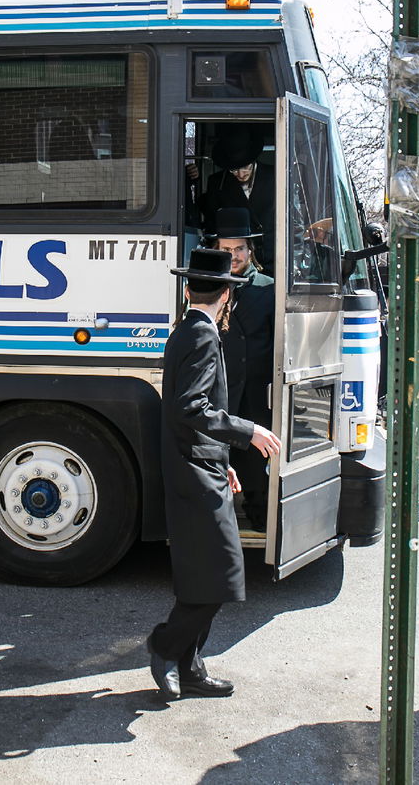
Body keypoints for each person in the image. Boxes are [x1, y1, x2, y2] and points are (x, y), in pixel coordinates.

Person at [148, 247, 282, 701]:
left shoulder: (187, 330)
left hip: (200, 467)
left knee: (207, 575)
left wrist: (223, 463)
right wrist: (250, 432)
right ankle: (166, 646)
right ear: (227, 293)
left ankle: (190, 669)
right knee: (221, 575)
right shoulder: (203, 336)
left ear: (189, 289)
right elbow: (192, 408)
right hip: (194, 473)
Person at [208, 208, 276, 532]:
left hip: (255, 392)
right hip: (220, 390)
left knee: (253, 461)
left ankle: (259, 514)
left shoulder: (268, 287)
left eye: (238, 249)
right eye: (226, 249)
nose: (233, 255)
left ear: (250, 251)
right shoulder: (209, 286)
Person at [200, 124, 275, 275]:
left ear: (254, 160)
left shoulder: (275, 176)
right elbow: (211, 225)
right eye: (234, 170)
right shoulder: (217, 183)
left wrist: (294, 265)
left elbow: (295, 225)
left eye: (246, 167)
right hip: (234, 263)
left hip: (272, 260)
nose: (241, 174)